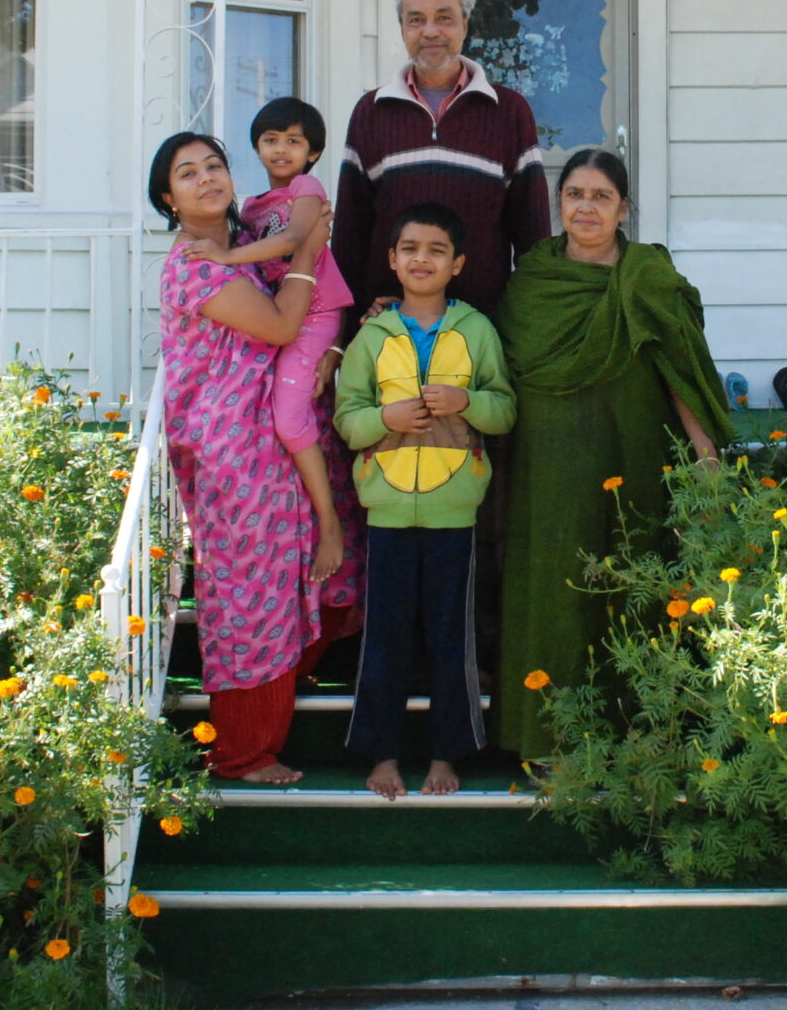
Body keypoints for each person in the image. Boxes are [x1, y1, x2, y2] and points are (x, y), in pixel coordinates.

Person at [494, 148, 731, 763]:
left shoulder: (648, 275)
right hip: (548, 459)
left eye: (601, 196)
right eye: (575, 194)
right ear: (558, 204)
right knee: (555, 581)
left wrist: (703, 448)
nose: (587, 207)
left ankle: (638, 735)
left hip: (634, 445)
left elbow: (680, 366)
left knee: (635, 574)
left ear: (624, 207)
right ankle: (549, 738)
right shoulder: (532, 280)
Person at [150, 130, 362, 786]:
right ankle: (243, 752)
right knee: (250, 592)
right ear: (169, 197)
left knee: (311, 561)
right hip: (232, 449)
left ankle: (280, 704)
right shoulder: (195, 262)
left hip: (272, 439)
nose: (207, 177)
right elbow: (276, 326)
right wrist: (307, 249)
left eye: (214, 165)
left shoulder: (238, 247)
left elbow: (310, 317)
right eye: (188, 173)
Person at [332, 204, 518, 799]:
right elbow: (346, 418)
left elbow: (505, 409)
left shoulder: (477, 332)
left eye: (436, 250)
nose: (421, 259)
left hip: (454, 513)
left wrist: (465, 404)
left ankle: (446, 754)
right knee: (384, 637)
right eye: (409, 248)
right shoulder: (372, 335)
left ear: (458, 264)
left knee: (450, 638)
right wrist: (384, 416)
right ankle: (382, 754)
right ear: (391, 259)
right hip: (385, 511)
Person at [183, 95, 353, 584]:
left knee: (288, 417)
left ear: (313, 152)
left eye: (294, 141)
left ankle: (330, 525)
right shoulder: (253, 208)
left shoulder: (306, 186)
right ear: (256, 147)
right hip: (283, 317)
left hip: (314, 314)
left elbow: (295, 240)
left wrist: (222, 256)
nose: (282, 149)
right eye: (271, 140)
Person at [332, 0, 550, 318]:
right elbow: (349, 237)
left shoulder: (509, 112)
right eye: (416, 20)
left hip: (482, 332)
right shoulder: (371, 112)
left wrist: (525, 328)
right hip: (389, 333)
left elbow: (533, 238)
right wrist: (350, 327)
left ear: (464, 23)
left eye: (444, 18)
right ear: (401, 28)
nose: (430, 31)